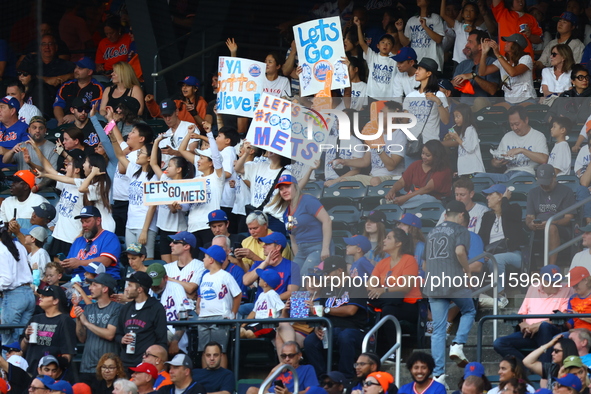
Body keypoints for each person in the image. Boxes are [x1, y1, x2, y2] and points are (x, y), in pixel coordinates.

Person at [424, 201, 476, 388]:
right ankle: (458, 344)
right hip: (453, 279)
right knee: (469, 310)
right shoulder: (461, 230)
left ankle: (438, 376)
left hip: (433, 282)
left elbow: (424, 264)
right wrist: (467, 269)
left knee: (438, 330)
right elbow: (460, 251)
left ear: (446, 214)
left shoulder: (431, 233)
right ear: (462, 215)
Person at [304, 256, 367, 378]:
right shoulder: (327, 288)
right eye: (325, 273)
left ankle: (346, 377)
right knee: (310, 341)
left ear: (340, 270)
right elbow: (320, 312)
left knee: (345, 337)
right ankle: (323, 378)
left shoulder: (356, 284)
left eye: (328, 273)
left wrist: (326, 310)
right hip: (330, 329)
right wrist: (318, 326)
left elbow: (350, 311)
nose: (326, 276)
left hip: (353, 329)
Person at [493, 264, 571, 362]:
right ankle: (526, 368)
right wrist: (523, 325)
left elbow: (563, 317)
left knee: (544, 326)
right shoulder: (533, 288)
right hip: (529, 333)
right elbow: (522, 313)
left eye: (558, 280)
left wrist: (538, 325)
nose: (556, 284)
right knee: (499, 343)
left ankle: (544, 372)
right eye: (552, 281)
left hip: (551, 333)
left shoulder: (567, 289)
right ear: (542, 280)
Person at [367, 228, 422, 355]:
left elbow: (406, 287)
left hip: (409, 305)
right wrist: (378, 291)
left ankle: (394, 352)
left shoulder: (409, 260)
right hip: (388, 301)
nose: (384, 240)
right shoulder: (382, 263)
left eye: (388, 238)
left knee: (389, 308)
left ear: (398, 243)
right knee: (385, 301)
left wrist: (384, 290)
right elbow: (370, 286)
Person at [270, 174, 332, 275]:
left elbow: (327, 221)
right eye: (281, 189)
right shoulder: (286, 213)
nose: (284, 191)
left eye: (287, 187)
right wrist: (297, 257)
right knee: (292, 279)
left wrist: (325, 248)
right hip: (301, 251)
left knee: (304, 278)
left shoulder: (307, 200)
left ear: (295, 187)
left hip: (318, 246)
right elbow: (293, 239)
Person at [111, 128, 158, 258]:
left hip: (145, 226)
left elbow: (153, 206)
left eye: (141, 152)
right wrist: (113, 139)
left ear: (149, 158)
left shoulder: (153, 178)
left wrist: (144, 230)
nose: (138, 154)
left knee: (146, 259)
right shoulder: (134, 171)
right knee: (132, 259)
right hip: (130, 224)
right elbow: (120, 156)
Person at [476, 106, 549, 182]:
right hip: (507, 174)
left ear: (526, 120)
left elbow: (544, 159)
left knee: (515, 178)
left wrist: (522, 150)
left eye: (517, 124)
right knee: (479, 177)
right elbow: (494, 163)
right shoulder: (507, 136)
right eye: (511, 125)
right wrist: (497, 162)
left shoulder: (538, 136)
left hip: (527, 174)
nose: (514, 128)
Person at [196, 245, 241, 368]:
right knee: (204, 350)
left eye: (205, 257)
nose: (203, 260)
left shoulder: (225, 275)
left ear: (211, 260)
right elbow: (201, 295)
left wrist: (233, 313)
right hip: (203, 317)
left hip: (220, 317)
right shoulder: (205, 276)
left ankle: (223, 377)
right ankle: (206, 377)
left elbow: (238, 294)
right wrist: (198, 308)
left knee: (221, 350)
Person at [478, 184, 525, 297]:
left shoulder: (514, 209)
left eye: (490, 194)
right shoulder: (487, 216)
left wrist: (505, 199)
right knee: (474, 261)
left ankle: (500, 294)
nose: (487, 198)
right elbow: (481, 237)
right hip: (490, 254)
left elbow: (508, 213)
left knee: (495, 260)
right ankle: (477, 294)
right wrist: (482, 253)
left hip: (514, 253)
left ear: (500, 196)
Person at [74, 273, 122, 385]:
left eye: (95, 285)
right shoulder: (88, 308)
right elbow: (82, 338)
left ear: (105, 289)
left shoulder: (117, 308)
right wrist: (79, 321)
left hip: (108, 369)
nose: (90, 288)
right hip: (87, 367)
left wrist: (86, 322)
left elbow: (110, 334)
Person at [235, 141, 292, 234]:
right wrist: (246, 153)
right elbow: (238, 168)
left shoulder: (287, 174)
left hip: (274, 219)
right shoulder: (258, 165)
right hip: (255, 216)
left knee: (272, 248)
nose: (270, 150)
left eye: (275, 149)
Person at [149, 139, 191, 263]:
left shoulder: (185, 186)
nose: (167, 168)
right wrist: (156, 142)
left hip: (176, 229)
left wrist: (167, 199)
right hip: (163, 228)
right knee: (166, 265)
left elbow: (175, 210)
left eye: (170, 166)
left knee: (176, 263)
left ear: (179, 170)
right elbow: (153, 163)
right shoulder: (164, 179)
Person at [526, 164, 576, 265]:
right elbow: (529, 216)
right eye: (541, 183)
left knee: (551, 228)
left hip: (560, 227)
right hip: (539, 227)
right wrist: (531, 224)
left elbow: (568, 218)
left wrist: (550, 223)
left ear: (554, 177)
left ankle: (550, 268)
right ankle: (530, 269)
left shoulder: (566, 191)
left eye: (547, 182)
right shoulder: (533, 193)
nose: (544, 185)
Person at [115, 271, 168, 368]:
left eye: (130, 286)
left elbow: (161, 340)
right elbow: (118, 334)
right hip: (125, 363)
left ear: (139, 289)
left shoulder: (156, 308)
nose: (126, 289)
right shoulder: (125, 309)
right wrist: (122, 339)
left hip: (145, 364)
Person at [21, 285, 76, 374]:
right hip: (31, 371)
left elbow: (67, 355)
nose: (41, 297)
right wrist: (26, 338)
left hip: (51, 375)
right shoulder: (35, 319)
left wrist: (52, 370)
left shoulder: (65, 321)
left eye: (46, 296)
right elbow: (23, 349)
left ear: (55, 301)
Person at [59, 206, 122, 280]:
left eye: (87, 221)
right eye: (82, 222)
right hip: (77, 282)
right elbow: (69, 270)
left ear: (98, 221)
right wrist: (65, 266)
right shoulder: (78, 241)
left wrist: (79, 263)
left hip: (101, 282)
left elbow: (106, 261)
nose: (84, 225)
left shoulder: (109, 237)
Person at [385, 140, 452, 209]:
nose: (423, 157)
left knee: (427, 198)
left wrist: (405, 198)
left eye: (427, 155)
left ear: (436, 156)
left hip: (434, 202)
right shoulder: (416, 164)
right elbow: (401, 182)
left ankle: (401, 209)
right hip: (413, 198)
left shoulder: (443, 170)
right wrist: (392, 190)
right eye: (423, 153)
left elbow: (427, 189)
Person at [0, 220, 35, 347]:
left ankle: (9, 367)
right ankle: (20, 366)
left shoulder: (1, 249)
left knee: (8, 342)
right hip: (28, 295)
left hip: (14, 296)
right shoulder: (18, 245)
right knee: (21, 340)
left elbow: (6, 280)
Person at [2, 117, 57, 192]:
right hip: (21, 187)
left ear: (45, 130)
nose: (37, 130)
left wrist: (38, 187)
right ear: (29, 130)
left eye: (41, 128)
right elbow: (5, 161)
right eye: (34, 128)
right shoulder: (22, 146)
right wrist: (12, 151)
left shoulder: (53, 148)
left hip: (44, 189)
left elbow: (52, 175)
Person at [403, 58, 450, 145]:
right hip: (411, 142)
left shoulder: (439, 95)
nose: (416, 72)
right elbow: (404, 122)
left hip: (431, 143)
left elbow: (446, 121)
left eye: (419, 69)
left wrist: (438, 101)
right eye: (417, 69)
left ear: (428, 73)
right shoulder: (410, 95)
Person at [145, 263, 189, 354]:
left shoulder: (176, 288)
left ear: (165, 278)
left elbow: (184, 318)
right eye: (151, 283)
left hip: (172, 331)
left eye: (157, 283)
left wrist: (175, 341)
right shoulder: (148, 291)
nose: (154, 286)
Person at [478, 35, 537, 104]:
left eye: (509, 42)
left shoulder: (526, 58)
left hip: (526, 99)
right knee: (493, 113)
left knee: (518, 113)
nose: (506, 43)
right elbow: (482, 72)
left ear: (516, 45)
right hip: (509, 100)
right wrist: (484, 53)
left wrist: (497, 54)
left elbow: (513, 73)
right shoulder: (503, 59)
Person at [246, 342, 318, 394]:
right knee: (252, 390)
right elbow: (263, 389)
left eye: (291, 355)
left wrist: (289, 393)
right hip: (271, 393)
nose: (287, 359)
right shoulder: (279, 369)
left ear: (299, 355)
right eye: (284, 356)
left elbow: (311, 391)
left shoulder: (307, 369)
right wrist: (272, 372)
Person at [53, 57, 103, 126]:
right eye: (76, 67)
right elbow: (58, 106)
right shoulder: (67, 85)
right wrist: (61, 120)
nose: (76, 70)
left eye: (80, 68)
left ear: (89, 72)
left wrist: (75, 117)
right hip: (65, 120)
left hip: (86, 122)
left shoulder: (97, 87)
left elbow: (95, 111)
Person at [354, 17, 396, 99]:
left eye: (389, 43)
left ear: (392, 47)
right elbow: (362, 43)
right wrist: (358, 26)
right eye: (383, 42)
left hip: (387, 97)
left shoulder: (394, 60)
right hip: (372, 95)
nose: (385, 45)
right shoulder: (372, 56)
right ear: (378, 46)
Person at [397, 0, 445, 71]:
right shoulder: (412, 20)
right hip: (416, 61)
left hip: (433, 62)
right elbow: (405, 43)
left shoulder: (435, 18)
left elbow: (439, 39)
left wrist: (425, 27)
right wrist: (400, 30)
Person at [165, 231, 205, 305]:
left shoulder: (200, 266)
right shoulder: (166, 267)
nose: (171, 244)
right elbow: (162, 291)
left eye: (175, 242)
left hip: (191, 309)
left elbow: (190, 288)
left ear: (186, 246)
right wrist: (186, 294)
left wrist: (168, 279)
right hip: (170, 310)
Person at [156, 99, 198, 167]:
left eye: (169, 115)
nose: (167, 119)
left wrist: (175, 153)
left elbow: (193, 152)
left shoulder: (190, 127)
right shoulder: (164, 135)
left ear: (176, 112)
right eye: (164, 116)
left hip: (188, 168)